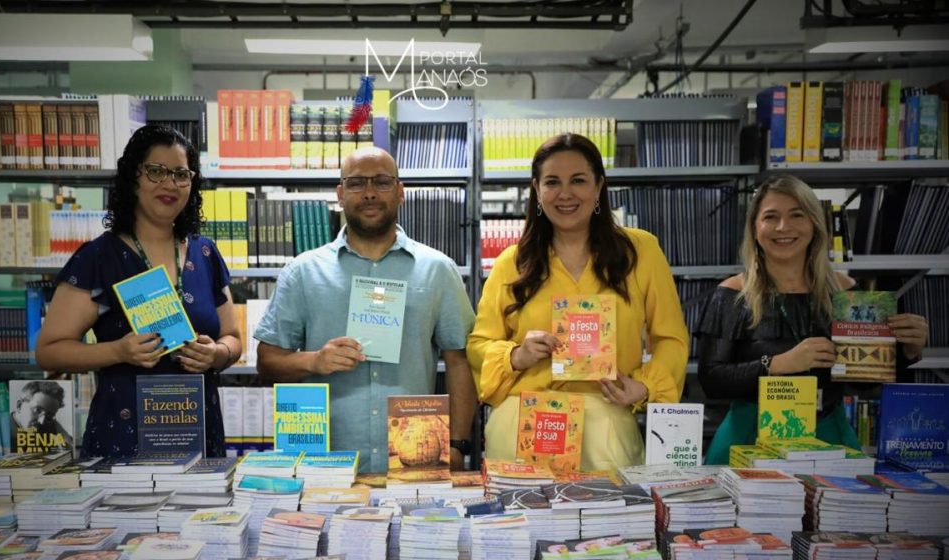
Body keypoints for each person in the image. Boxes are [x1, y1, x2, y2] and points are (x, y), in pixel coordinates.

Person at [467, 133, 689, 471]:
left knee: (611, 521)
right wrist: (515, 355)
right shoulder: (512, 262)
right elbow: (478, 345)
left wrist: (644, 386)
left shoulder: (641, 253)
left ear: (599, 186)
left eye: (578, 180)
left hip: (607, 425)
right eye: (552, 182)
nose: (565, 193)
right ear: (537, 190)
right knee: (524, 523)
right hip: (523, 424)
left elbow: (671, 339)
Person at [254, 147, 476, 473]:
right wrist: (314, 361)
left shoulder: (437, 270)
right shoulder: (302, 272)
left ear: (400, 192)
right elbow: (266, 362)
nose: (369, 193)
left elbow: (461, 360)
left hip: (413, 462)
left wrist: (457, 445)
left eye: (382, 182)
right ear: (340, 195)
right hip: (325, 465)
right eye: (357, 184)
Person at [36, 124, 241, 457]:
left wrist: (218, 354)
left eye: (181, 174)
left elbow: (232, 336)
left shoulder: (205, 254)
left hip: (198, 434)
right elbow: (49, 352)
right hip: (124, 436)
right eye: (156, 172)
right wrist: (118, 351)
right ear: (133, 177)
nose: (169, 184)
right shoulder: (99, 258)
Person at [697, 174, 929, 464]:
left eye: (797, 215)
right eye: (771, 217)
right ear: (755, 227)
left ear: (814, 224)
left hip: (827, 436)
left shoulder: (846, 291)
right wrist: (779, 364)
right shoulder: (731, 293)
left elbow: (863, 382)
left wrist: (908, 351)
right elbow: (712, 381)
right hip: (748, 438)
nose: (784, 227)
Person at [10, 380, 74, 452]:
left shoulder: (48, 425)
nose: (42, 421)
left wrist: (58, 427)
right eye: (37, 410)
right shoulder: (3, 433)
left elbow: (72, 447)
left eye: (49, 415)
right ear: (19, 406)